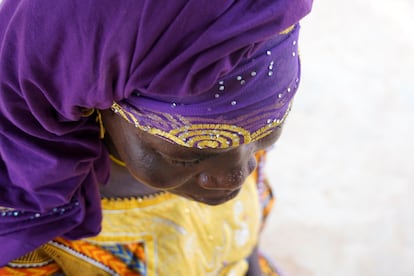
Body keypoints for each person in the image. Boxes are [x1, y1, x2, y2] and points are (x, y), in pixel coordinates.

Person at [0, 1, 312, 275]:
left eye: (267, 134)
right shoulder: (26, 238)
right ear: (90, 98)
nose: (237, 176)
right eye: (185, 157)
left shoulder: (235, 143)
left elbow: (246, 248)